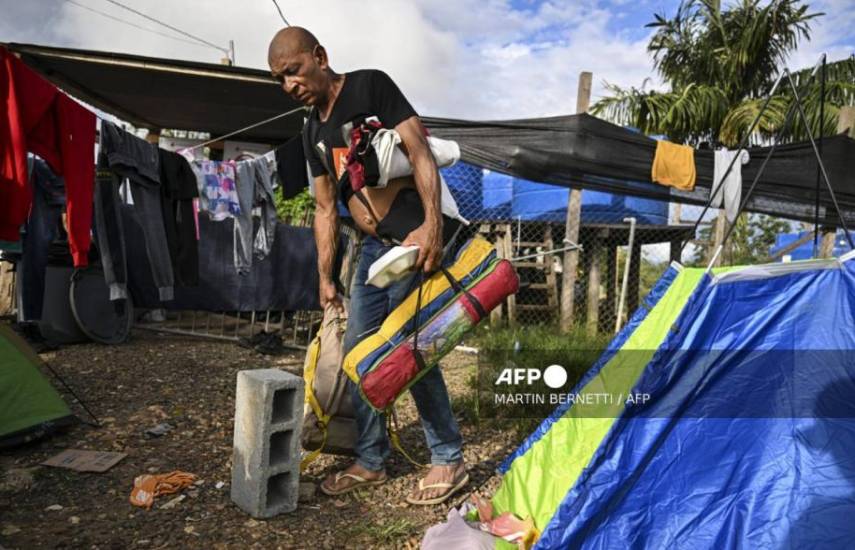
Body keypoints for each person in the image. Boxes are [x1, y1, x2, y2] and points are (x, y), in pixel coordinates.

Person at [268, 27, 468, 505]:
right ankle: (371, 460)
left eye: (293, 71)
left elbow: (419, 150)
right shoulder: (310, 130)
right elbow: (322, 208)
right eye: (279, 79)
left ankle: (449, 457)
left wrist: (433, 228)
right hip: (373, 250)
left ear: (319, 56)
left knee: (408, 348)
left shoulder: (369, 87)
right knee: (359, 353)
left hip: (413, 240)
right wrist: (324, 277)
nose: (289, 85)